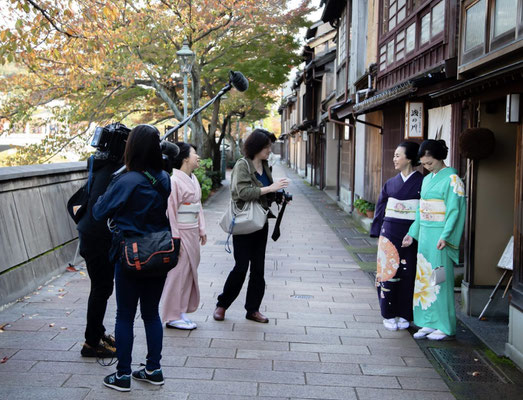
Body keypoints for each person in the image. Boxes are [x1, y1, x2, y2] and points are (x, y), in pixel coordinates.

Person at [93, 125, 171, 392]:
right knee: (151, 314)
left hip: (130, 255)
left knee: (125, 315)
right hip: (159, 253)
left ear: (132, 148)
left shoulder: (126, 180)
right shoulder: (162, 178)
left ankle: (123, 375)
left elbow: (98, 212)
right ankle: (154, 369)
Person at [213, 129, 288, 323]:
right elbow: (242, 192)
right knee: (241, 266)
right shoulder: (242, 165)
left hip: (260, 222)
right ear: (256, 147)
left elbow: (265, 193)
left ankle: (252, 309)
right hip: (244, 221)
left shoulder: (265, 165)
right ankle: (222, 305)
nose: (269, 150)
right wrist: (270, 188)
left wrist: (278, 196)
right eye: (266, 147)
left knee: (258, 268)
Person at [402, 139, 466, 341]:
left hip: (440, 236)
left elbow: (455, 212)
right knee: (424, 279)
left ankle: (445, 325)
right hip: (426, 236)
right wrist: (412, 233)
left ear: (440, 158)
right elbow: (421, 211)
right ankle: (427, 322)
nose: (427, 167)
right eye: (424, 164)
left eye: (430, 163)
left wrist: (446, 236)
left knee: (441, 280)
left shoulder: (453, 179)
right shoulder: (428, 179)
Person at [370, 142, 423, 331]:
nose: (394, 159)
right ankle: (388, 313)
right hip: (390, 231)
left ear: (409, 158)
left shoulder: (422, 182)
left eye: (398, 155)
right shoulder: (391, 183)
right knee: (388, 272)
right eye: (394, 155)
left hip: (411, 233)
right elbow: (380, 207)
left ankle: (405, 314)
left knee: (409, 274)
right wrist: (377, 231)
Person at [77, 152, 121, 358]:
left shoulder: (102, 165)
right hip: (98, 238)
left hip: (89, 233)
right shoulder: (117, 171)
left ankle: (97, 333)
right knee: (101, 288)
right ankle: (91, 342)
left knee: (100, 288)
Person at [160, 142, 207, 330]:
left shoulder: (192, 179)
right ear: (185, 158)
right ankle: (171, 315)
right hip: (180, 231)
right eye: (195, 153)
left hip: (193, 230)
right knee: (177, 273)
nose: (198, 157)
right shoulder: (174, 181)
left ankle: (180, 311)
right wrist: (175, 236)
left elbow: (198, 206)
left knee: (189, 272)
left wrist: (202, 228)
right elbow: (171, 211)